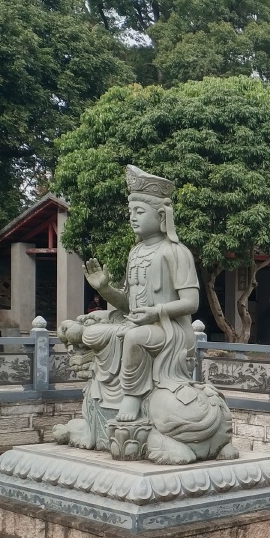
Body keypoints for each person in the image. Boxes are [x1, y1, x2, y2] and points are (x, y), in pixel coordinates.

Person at [81, 165, 198, 422]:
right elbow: (128, 306)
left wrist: (156, 312)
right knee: (92, 333)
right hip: (138, 323)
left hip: (169, 330)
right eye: (131, 212)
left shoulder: (176, 252)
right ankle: (104, 399)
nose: (133, 218)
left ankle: (132, 395)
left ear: (161, 215)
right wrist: (104, 289)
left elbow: (191, 302)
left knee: (134, 336)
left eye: (140, 212)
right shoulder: (135, 253)